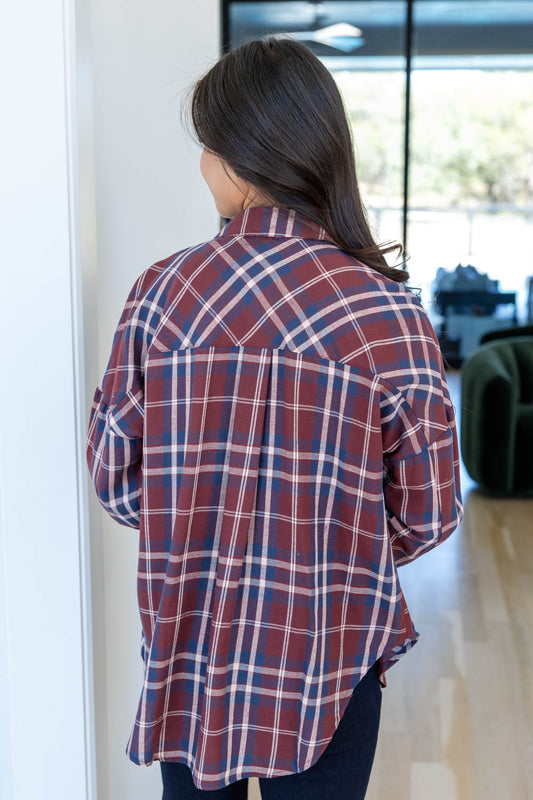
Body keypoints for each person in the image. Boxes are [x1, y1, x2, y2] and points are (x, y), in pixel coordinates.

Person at [86, 36, 464, 800]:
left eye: (206, 145)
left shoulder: (162, 296)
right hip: (328, 652)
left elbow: (114, 477)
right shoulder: (384, 314)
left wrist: (199, 521)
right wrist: (329, 539)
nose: (201, 165)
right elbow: (429, 510)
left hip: (191, 644)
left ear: (239, 154)